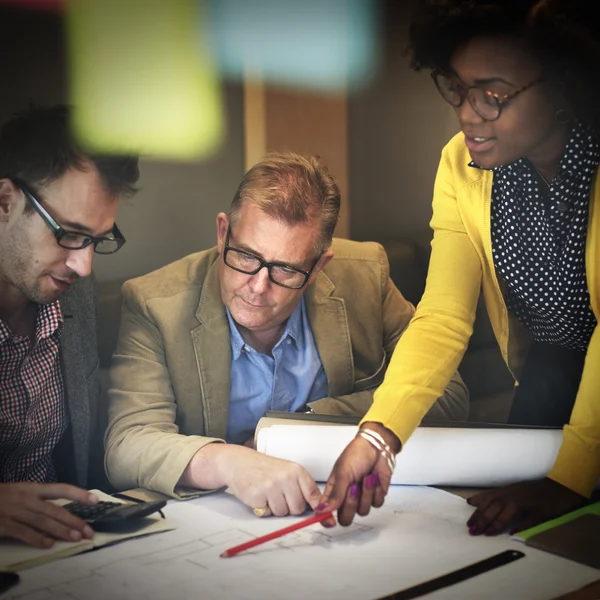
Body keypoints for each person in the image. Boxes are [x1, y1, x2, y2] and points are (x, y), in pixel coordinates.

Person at [320, 0, 600, 534]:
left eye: (493, 95)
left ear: (566, 82)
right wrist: (379, 434)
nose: (468, 113)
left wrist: (571, 477)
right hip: (554, 370)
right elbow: (444, 316)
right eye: (458, 88)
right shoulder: (461, 165)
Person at [105, 152, 468, 516]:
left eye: (285, 270)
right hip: (218, 518)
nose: (258, 287)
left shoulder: (366, 276)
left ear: (318, 266)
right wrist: (231, 463)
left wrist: (292, 430)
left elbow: (449, 394)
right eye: (246, 256)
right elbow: (127, 445)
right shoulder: (154, 304)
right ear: (222, 234)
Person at [0, 105, 139, 547]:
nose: (83, 264)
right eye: (69, 232)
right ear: (5, 201)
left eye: (97, 239)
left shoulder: (71, 291)